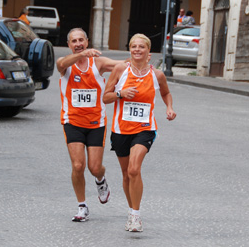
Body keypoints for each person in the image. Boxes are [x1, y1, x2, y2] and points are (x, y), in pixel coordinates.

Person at [103, 34, 176, 232]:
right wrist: (120, 93)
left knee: (134, 169)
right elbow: (105, 97)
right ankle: (130, 210)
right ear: (130, 50)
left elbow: (166, 92)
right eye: (133, 46)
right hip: (120, 130)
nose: (137, 49)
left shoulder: (157, 75)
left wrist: (169, 108)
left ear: (148, 52)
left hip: (145, 128)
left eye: (141, 47)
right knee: (126, 175)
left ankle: (136, 216)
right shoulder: (120, 70)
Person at [57, 28, 125, 222]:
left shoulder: (98, 63)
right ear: (69, 45)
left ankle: (101, 180)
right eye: (74, 41)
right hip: (73, 121)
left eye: (81, 40)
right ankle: (82, 206)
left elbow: (120, 66)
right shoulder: (65, 65)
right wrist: (81, 55)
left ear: (87, 41)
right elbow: (61, 63)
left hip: (96, 122)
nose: (78, 43)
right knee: (78, 165)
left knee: (95, 168)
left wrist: (140, 62)